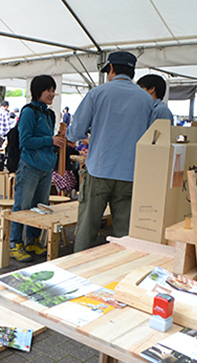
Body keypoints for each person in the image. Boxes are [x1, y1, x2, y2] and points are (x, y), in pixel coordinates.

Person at [67, 51, 152, 251]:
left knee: (87, 228)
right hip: (130, 173)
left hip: (99, 169)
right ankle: (121, 273)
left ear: (111, 69)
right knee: (125, 233)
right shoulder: (146, 99)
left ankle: (80, 271)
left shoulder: (98, 93)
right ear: (133, 71)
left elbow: (76, 132)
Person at [9, 75, 66, 262]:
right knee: (21, 207)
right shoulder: (28, 112)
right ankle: (14, 244)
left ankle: (32, 241)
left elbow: (45, 139)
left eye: (53, 90)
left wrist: (57, 141)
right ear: (38, 91)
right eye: (48, 90)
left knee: (39, 208)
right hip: (30, 166)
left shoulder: (49, 114)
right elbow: (25, 140)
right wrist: (50, 140)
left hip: (46, 167)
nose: (52, 94)